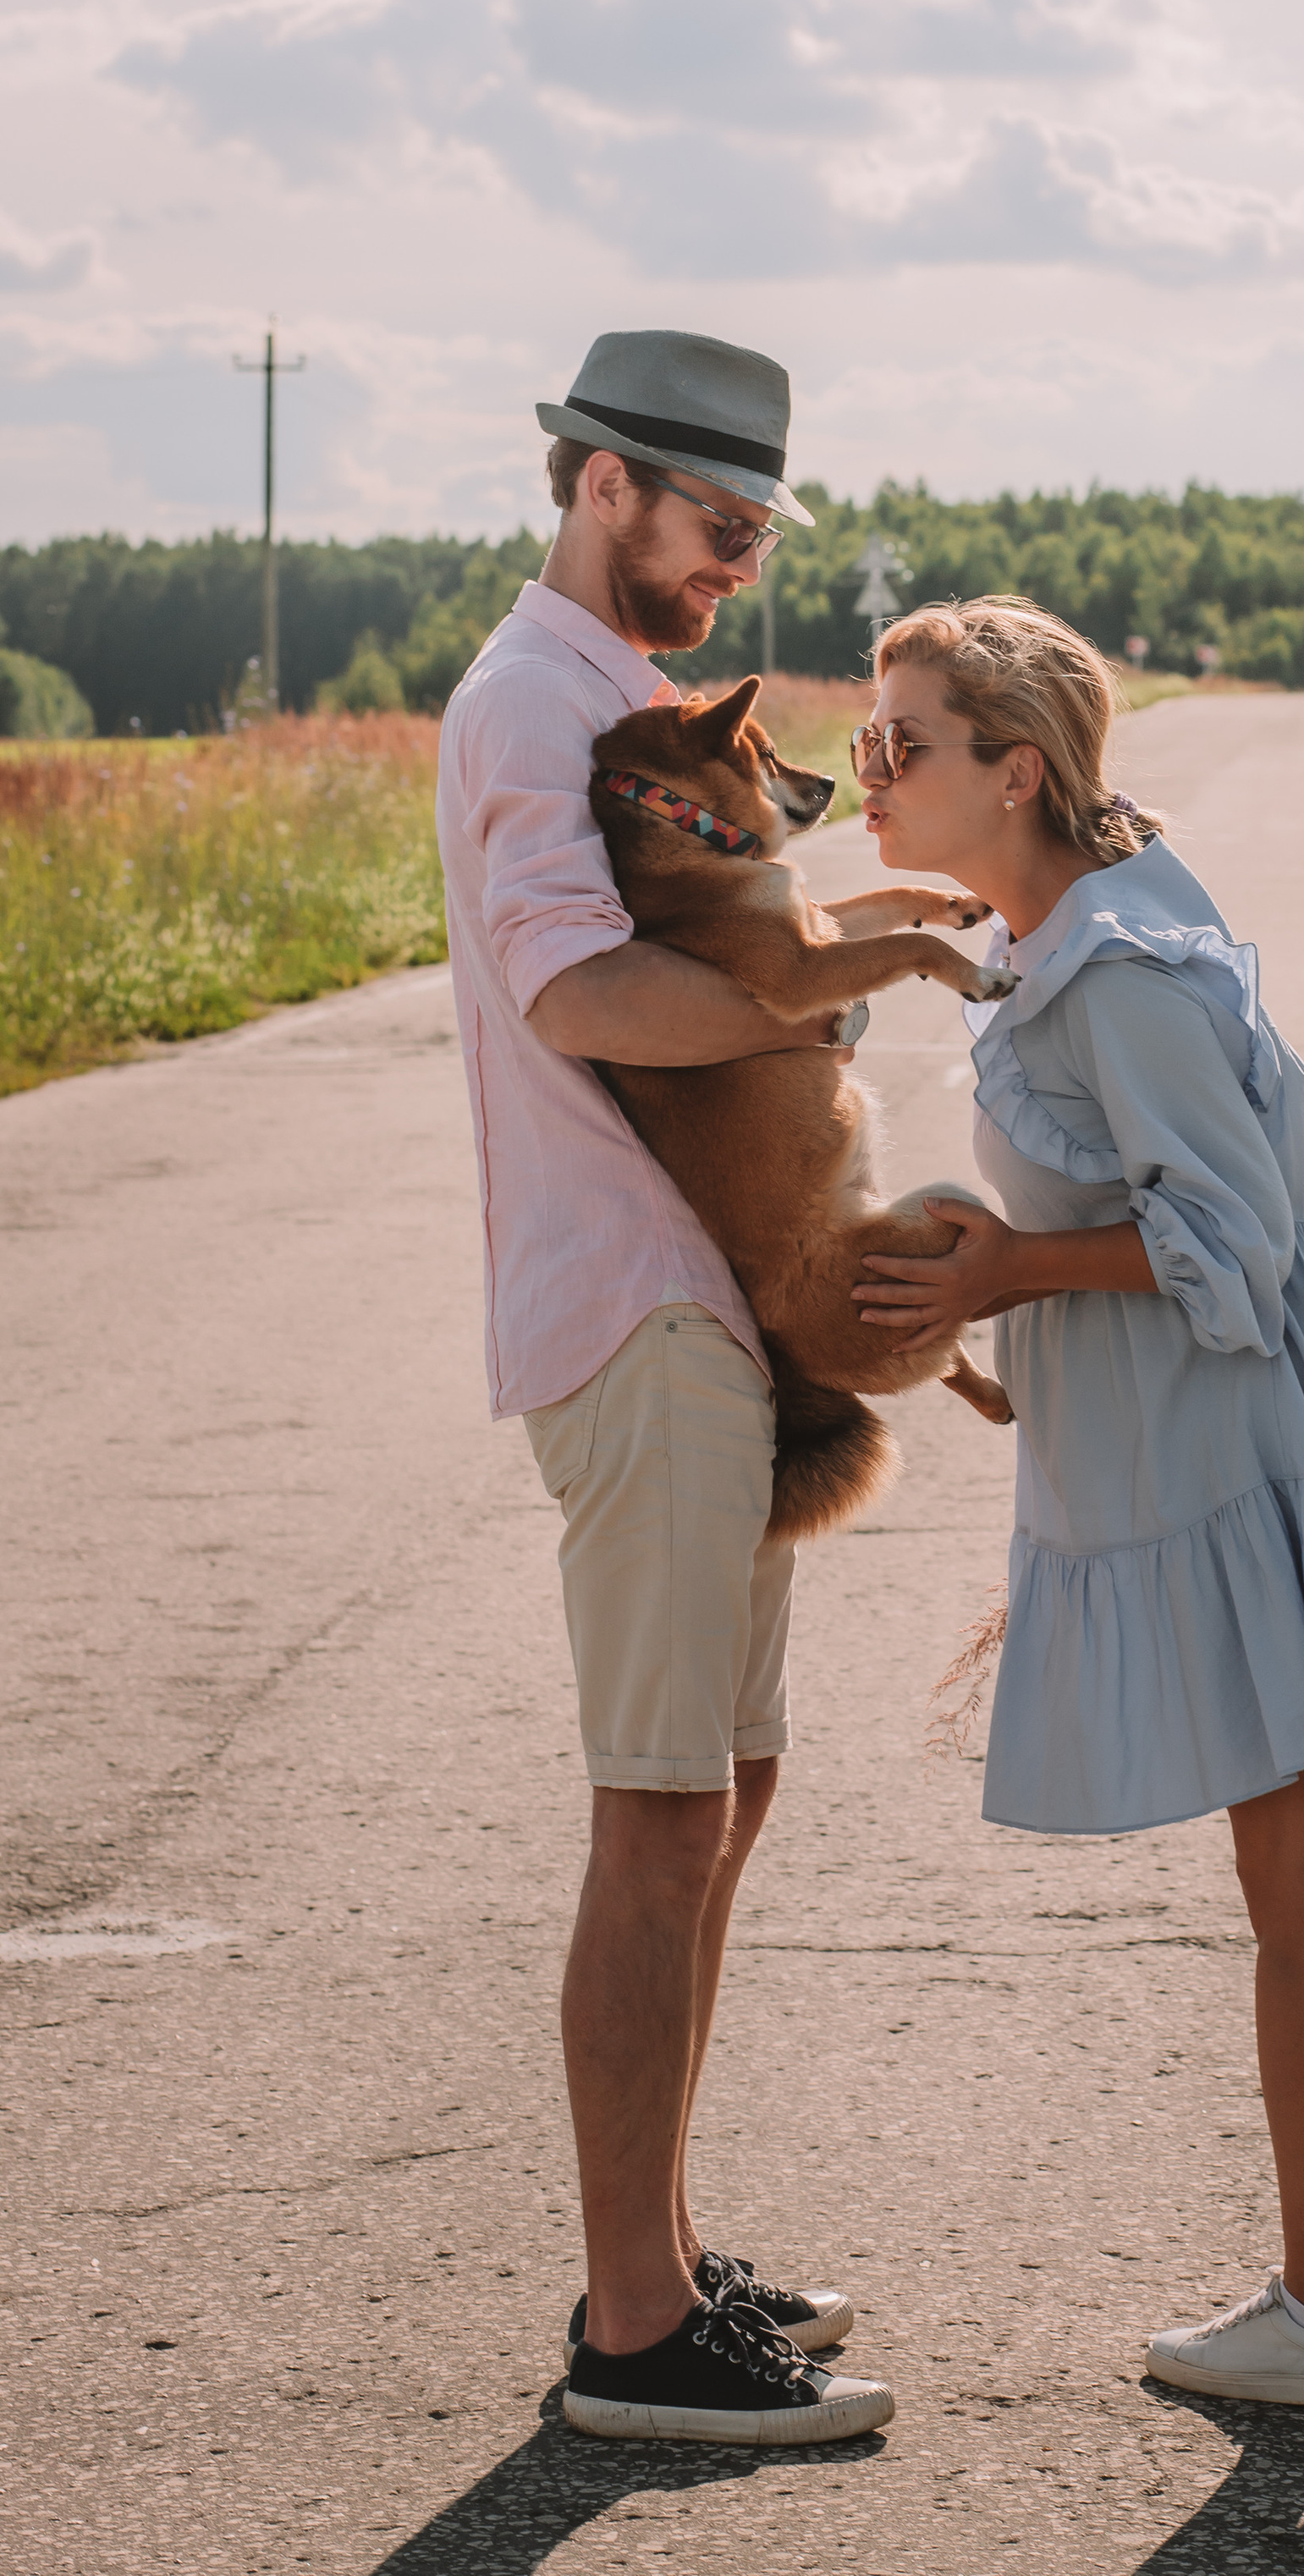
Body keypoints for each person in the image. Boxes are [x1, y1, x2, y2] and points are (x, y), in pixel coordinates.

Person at [850, 596, 1304, 2408]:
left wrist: (1010, 1274)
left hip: (1288, 1430)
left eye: (904, 743)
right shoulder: (1079, 920)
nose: (867, 768)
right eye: (869, 738)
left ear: (1016, 771)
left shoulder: (1116, 971)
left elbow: (1226, 1244)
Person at [436, 329, 894, 2447]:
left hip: (712, 1306)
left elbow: (704, 971)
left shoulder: (640, 706)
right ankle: (632, 2334)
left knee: (728, 1793)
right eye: (716, 527)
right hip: (632, 1311)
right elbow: (579, 983)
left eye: (758, 537)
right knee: (657, 1815)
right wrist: (811, 1008)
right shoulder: (540, 701)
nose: (733, 569)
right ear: (601, 481)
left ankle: (662, 2251)